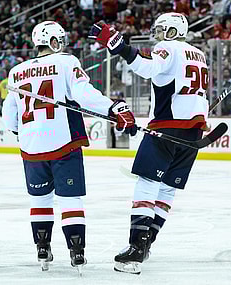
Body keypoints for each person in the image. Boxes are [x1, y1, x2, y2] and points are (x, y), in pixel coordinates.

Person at [2, 21, 137, 273]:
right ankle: (76, 251)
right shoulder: (66, 62)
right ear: (54, 41)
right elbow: (83, 93)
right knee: (70, 198)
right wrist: (113, 107)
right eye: (59, 39)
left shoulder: (16, 71)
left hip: (31, 147)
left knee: (40, 198)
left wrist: (26, 132)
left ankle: (42, 248)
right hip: (63, 142)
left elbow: (9, 114)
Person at [89, 12, 209, 274]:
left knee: (147, 183)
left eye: (162, 28)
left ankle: (136, 250)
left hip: (167, 128)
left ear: (173, 31)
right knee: (167, 190)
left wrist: (120, 47)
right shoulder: (198, 54)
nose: (157, 33)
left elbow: (148, 68)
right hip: (194, 132)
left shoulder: (168, 47)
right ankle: (148, 242)